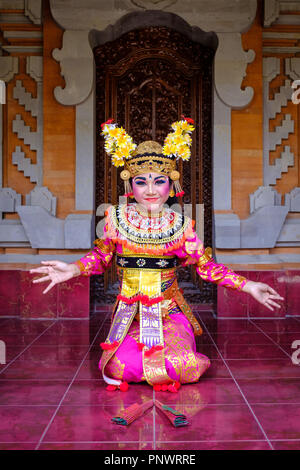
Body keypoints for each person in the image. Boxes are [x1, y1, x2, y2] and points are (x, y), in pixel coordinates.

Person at [30, 117, 284, 392]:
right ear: (131, 186)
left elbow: (207, 268)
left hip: (169, 312)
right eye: (141, 182)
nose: (150, 190)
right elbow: (100, 257)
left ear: (170, 185)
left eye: (159, 181)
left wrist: (249, 286)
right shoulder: (115, 220)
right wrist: (71, 269)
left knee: (180, 365)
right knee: (121, 366)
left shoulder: (181, 226)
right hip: (131, 314)